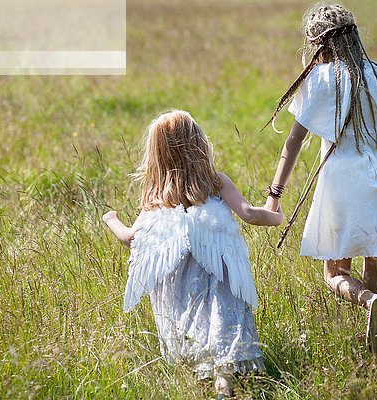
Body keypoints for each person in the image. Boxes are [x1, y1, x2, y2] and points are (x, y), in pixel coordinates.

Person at [262, 4, 377, 353]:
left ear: (318, 44)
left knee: (335, 274)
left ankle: (365, 300)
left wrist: (276, 193)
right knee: (376, 267)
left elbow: (295, 141)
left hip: (341, 181)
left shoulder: (319, 79)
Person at [102, 110, 283, 398]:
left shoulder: (156, 194)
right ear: (198, 143)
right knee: (223, 325)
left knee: (197, 328)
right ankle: (224, 389)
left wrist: (110, 219)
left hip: (182, 284)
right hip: (220, 273)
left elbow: (130, 238)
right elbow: (249, 214)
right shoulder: (215, 182)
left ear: (157, 154)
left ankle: (206, 385)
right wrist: (276, 215)